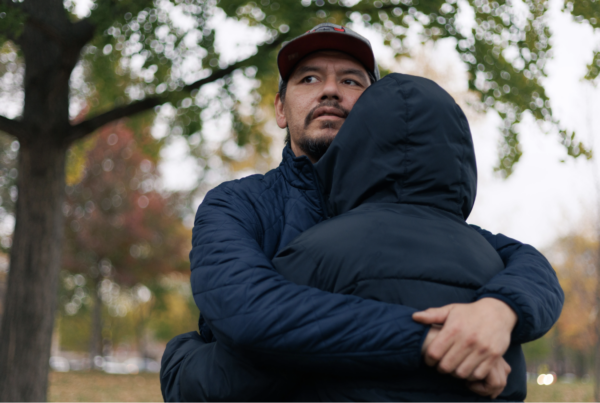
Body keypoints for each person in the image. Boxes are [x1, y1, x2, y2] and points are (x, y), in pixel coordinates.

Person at [160, 24, 564, 402]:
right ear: (281, 109)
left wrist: (500, 310)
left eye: (351, 80)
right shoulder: (237, 204)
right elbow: (246, 307)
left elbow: (528, 262)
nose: (331, 91)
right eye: (309, 79)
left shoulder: (420, 211)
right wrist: (440, 339)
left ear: (375, 110)